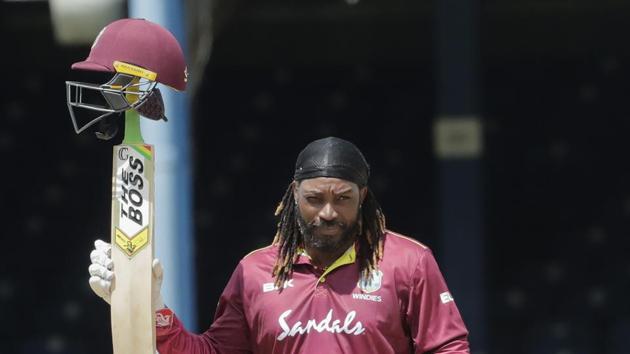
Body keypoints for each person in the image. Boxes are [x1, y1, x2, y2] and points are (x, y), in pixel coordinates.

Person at [89, 136, 470, 353]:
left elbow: (449, 349)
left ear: (363, 197)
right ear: (294, 195)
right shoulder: (255, 273)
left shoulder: (409, 262)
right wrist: (151, 306)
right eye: (314, 198)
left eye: (343, 199)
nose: (328, 212)